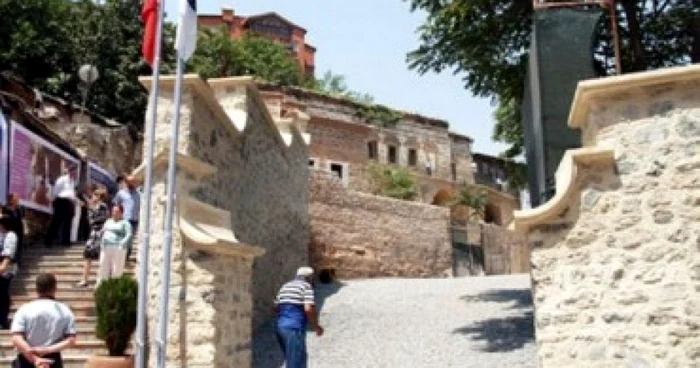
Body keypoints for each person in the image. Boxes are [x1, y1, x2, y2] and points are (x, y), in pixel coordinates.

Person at [11, 273, 77, 368]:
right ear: (55, 289)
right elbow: (71, 340)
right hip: (52, 360)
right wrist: (46, 350)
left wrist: (35, 358)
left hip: (26, 358)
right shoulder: (65, 310)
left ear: (36, 289)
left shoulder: (24, 309)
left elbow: (16, 338)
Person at [274, 266, 324, 368]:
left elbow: (275, 307)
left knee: (292, 360)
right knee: (297, 362)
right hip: (294, 328)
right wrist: (316, 326)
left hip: (280, 328)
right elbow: (308, 308)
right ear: (309, 278)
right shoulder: (306, 286)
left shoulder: (285, 286)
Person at [76, 188, 109, 288]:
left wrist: (91, 208)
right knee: (87, 256)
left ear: (99, 196)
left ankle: (99, 280)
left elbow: (101, 219)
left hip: (100, 233)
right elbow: (91, 220)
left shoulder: (103, 206)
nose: (92, 197)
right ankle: (84, 279)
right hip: (94, 234)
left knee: (99, 257)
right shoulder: (94, 206)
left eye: (94, 195)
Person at [96, 204, 132, 287]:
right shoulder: (108, 221)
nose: (114, 213)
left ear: (121, 213)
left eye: (117, 211)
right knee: (103, 267)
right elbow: (103, 231)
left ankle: (114, 287)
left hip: (118, 247)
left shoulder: (125, 223)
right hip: (106, 246)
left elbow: (129, 234)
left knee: (117, 270)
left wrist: (122, 243)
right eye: (113, 211)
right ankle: (100, 287)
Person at [45, 168, 77, 247]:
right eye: (73, 172)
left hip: (69, 202)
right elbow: (56, 191)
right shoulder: (61, 179)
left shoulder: (72, 181)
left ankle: (65, 242)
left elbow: (71, 192)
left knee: (68, 222)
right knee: (56, 222)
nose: (75, 174)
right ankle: (48, 241)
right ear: (70, 171)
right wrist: (56, 201)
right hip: (60, 201)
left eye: (75, 172)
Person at [113, 175, 139, 261]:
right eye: (129, 182)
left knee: (130, 239)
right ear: (126, 182)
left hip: (135, 220)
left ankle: (126, 257)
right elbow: (116, 205)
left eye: (133, 182)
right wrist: (116, 217)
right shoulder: (121, 193)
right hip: (124, 219)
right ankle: (120, 257)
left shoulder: (139, 194)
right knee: (123, 238)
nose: (132, 183)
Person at [0, 216, 18, 329]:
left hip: (5, 268)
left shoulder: (10, 235)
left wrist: (2, 268)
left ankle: (2, 320)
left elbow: (8, 254)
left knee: (2, 294)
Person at [2, 193, 25, 265]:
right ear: (11, 200)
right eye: (16, 198)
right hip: (9, 232)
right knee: (10, 248)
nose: (18, 199)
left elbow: (21, 218)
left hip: (19, 231)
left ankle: (17, 263)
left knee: (19, 247)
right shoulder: (5, 208)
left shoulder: (19, 209)